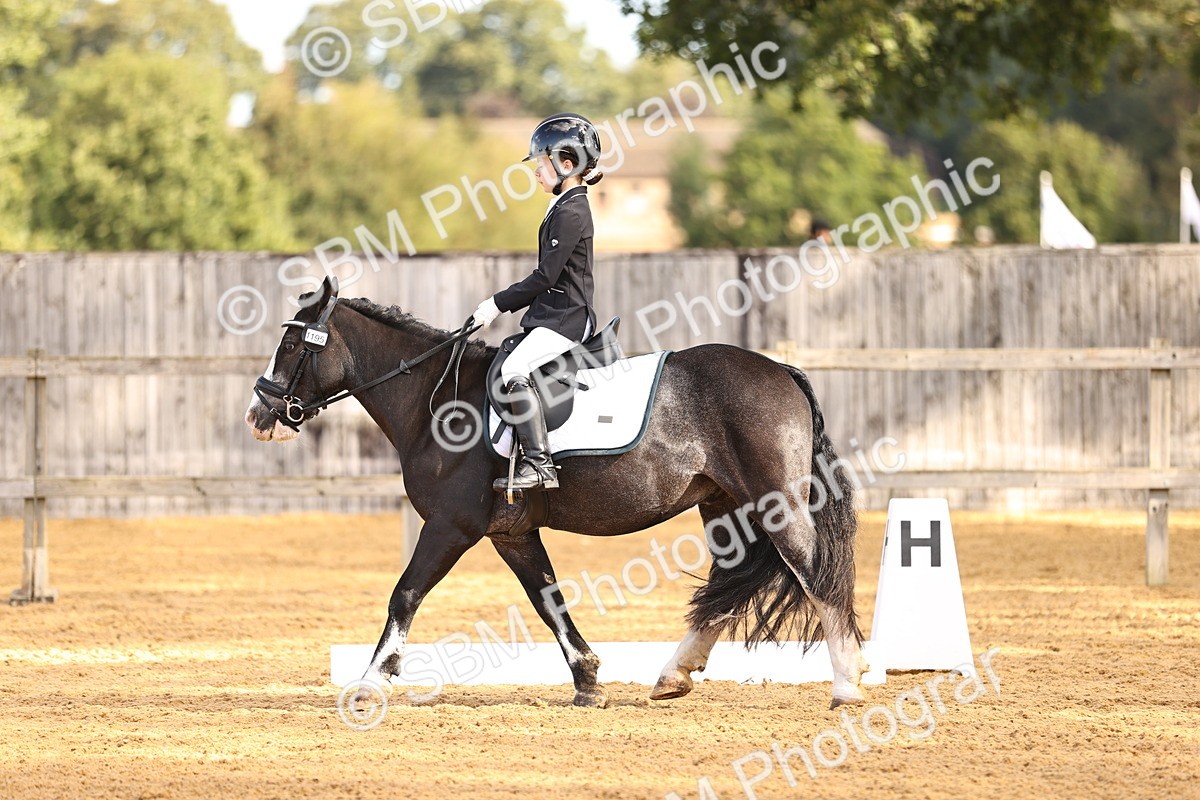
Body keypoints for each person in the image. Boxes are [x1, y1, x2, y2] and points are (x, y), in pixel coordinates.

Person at [471, 113, 604, 491]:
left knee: (515, 369)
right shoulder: (563, 205)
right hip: (553, 315)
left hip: (567, 318)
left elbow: (545, 277)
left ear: (568, 165)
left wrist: (496, 304)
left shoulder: (572, 211)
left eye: (542, 164)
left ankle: (540, 464)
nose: (535, 172)